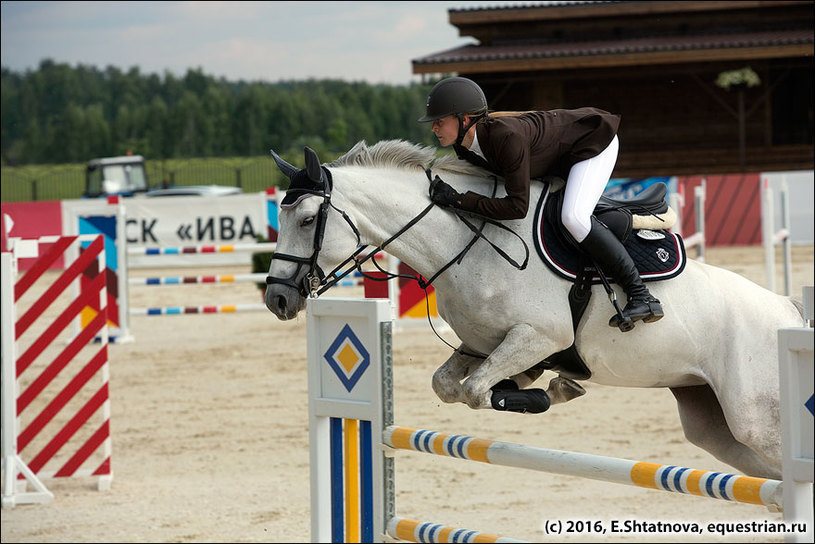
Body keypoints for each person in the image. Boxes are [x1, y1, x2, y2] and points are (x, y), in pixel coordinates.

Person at [418, 76, 663, 330]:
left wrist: (458, 199)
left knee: (573, 218)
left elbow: (516, 208)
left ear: (464, 119)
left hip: (593, 144)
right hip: (559, 158)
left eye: (439, 121)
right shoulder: (464, 147)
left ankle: (641, 295)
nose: (434, 128)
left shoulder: (505, 137)